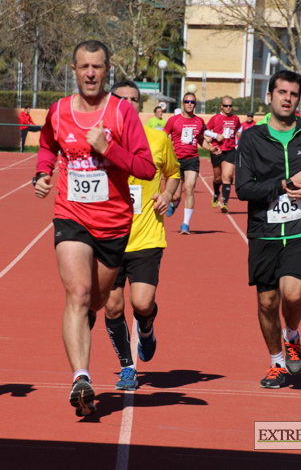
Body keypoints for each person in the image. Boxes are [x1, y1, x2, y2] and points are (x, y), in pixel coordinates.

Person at [33, 40, 155, 417]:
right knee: (79, 293)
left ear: (106, 71)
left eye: (97, 67)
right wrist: (42, 173)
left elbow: (147, 169)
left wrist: (108, 149)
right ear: (73, 70)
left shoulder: (122, 114)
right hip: (71, 216)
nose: (90, 73)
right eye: (83, 66)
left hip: (115, 224)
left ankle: (86, 344)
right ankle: (81, 378)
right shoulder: (59, 111)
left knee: (99, 303)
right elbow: (46, 146)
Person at [236, 70, 301, 389]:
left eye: (293, 94)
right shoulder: (252, 138)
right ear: (269, 96)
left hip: (300, 227)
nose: (287, 98)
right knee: (267, 303)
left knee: (293, 293)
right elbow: (243, 189)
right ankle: (276, 363)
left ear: (298, 99)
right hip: (263, 231)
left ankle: (292, 334)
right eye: (281, 92)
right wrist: (285, 185)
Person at [103, 80, 180, 390]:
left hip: (146, 237)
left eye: (135, 99)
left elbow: (173, 174)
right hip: (107, 238)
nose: (129, 104)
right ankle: (126, 367)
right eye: (122, 99)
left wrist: (169, 194)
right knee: (112, 307)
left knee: (143, 303)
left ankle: (146, 329)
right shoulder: (100, 140)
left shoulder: (158, 140)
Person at [163, 92, 219, 233]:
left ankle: (185, 225)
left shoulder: (199, 121)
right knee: (175, 195)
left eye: (192, 102)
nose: (189, 104)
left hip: (192, 159)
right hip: (175, 160)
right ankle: (175, 202)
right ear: (182, 103)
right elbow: (163, 137)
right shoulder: (174, 120)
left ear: (195, 105)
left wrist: (211, 149)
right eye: (187, 101)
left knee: (189, 189)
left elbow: (200, 139)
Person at [204, 97, 241, 213]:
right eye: (226, 105)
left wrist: (239, 132)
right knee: (217, 178)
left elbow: (239, 127)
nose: (228, 108)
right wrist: (215, 136)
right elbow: (205, 130)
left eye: (230, 105)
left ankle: (225, 202)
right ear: (221, 106)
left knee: (227, 176)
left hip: (230, 150)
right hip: (217, 151)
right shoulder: (215, 118)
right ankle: (216, 193)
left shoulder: (235, 118)